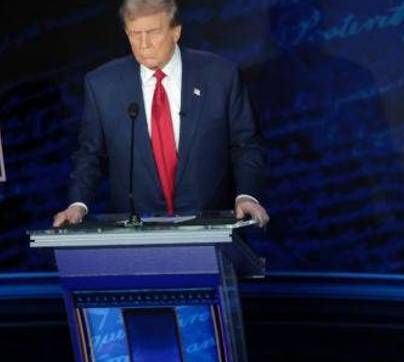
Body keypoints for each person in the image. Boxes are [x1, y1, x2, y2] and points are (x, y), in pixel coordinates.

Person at [52, 0, 268, 228]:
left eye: (153, 32)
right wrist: (78, 203)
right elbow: (89, 154)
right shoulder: (102, 85)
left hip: (211, 227)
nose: (144, 44)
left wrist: (247, 195)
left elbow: (246, 145)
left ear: (176, 31)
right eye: (135, 34)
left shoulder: (220, 76)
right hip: (136, 232)